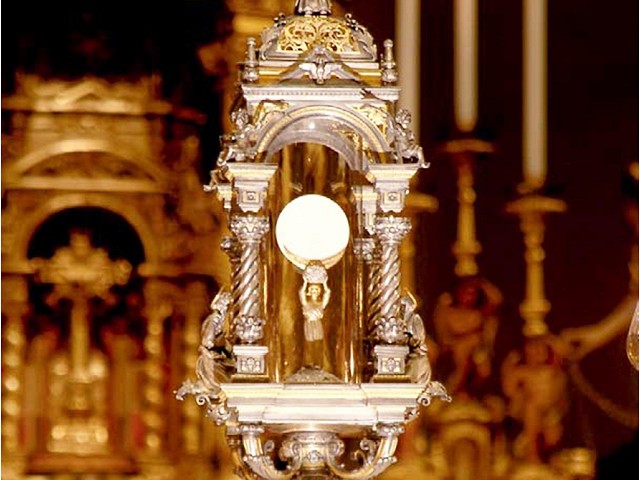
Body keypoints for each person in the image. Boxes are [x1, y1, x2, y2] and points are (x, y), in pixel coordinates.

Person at [299, 263, 331, 368]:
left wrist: (324, 283)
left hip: (317, 324)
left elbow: (328, 293)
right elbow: (301, 293)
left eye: (316, 290)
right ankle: (308, 363)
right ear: (309, 291)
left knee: (318, 343)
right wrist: (305, 282)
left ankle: (317, 362)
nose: (314, 291)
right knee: (308, 344)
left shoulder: (321, 304)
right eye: (312, 289)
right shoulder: (306, 303)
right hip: (309, 324)